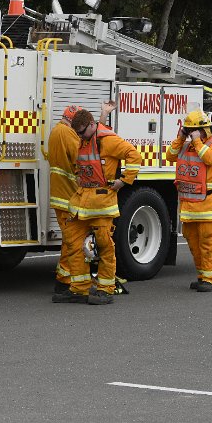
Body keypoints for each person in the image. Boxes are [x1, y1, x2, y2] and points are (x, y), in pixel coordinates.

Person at [53, 109, 140, 305]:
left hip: (101, 203)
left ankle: (105, 289)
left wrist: (124, 181)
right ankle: (79, 289)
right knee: (73, 243)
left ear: (92, 125)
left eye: (83, 132)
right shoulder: (84, 140)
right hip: (82, 201)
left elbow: (134, 156)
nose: (80, 136)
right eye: (78, 134)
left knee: (104, 246)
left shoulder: (109, 141)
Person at [47, 101, 115, 293]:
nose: (79, 131)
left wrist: (102, 117)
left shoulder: (57, 131)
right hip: (68, 196)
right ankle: (65, 280)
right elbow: (88, 150)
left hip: (63, 195)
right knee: (73, 241)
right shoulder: (67, 134)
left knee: (70, 240)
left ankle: (66, 279)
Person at [165, 110, 212, 292]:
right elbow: (170, 155)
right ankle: (202, 276)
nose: (190, 133)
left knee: (208, 244)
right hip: (189, 207)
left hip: (208, 207)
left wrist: (197, 140)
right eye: (188, 130)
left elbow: (210, 159)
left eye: (192, 130)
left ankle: (210, 279)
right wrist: (181, 137)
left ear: (203, 130)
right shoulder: (186, 145)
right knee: (193, 243)